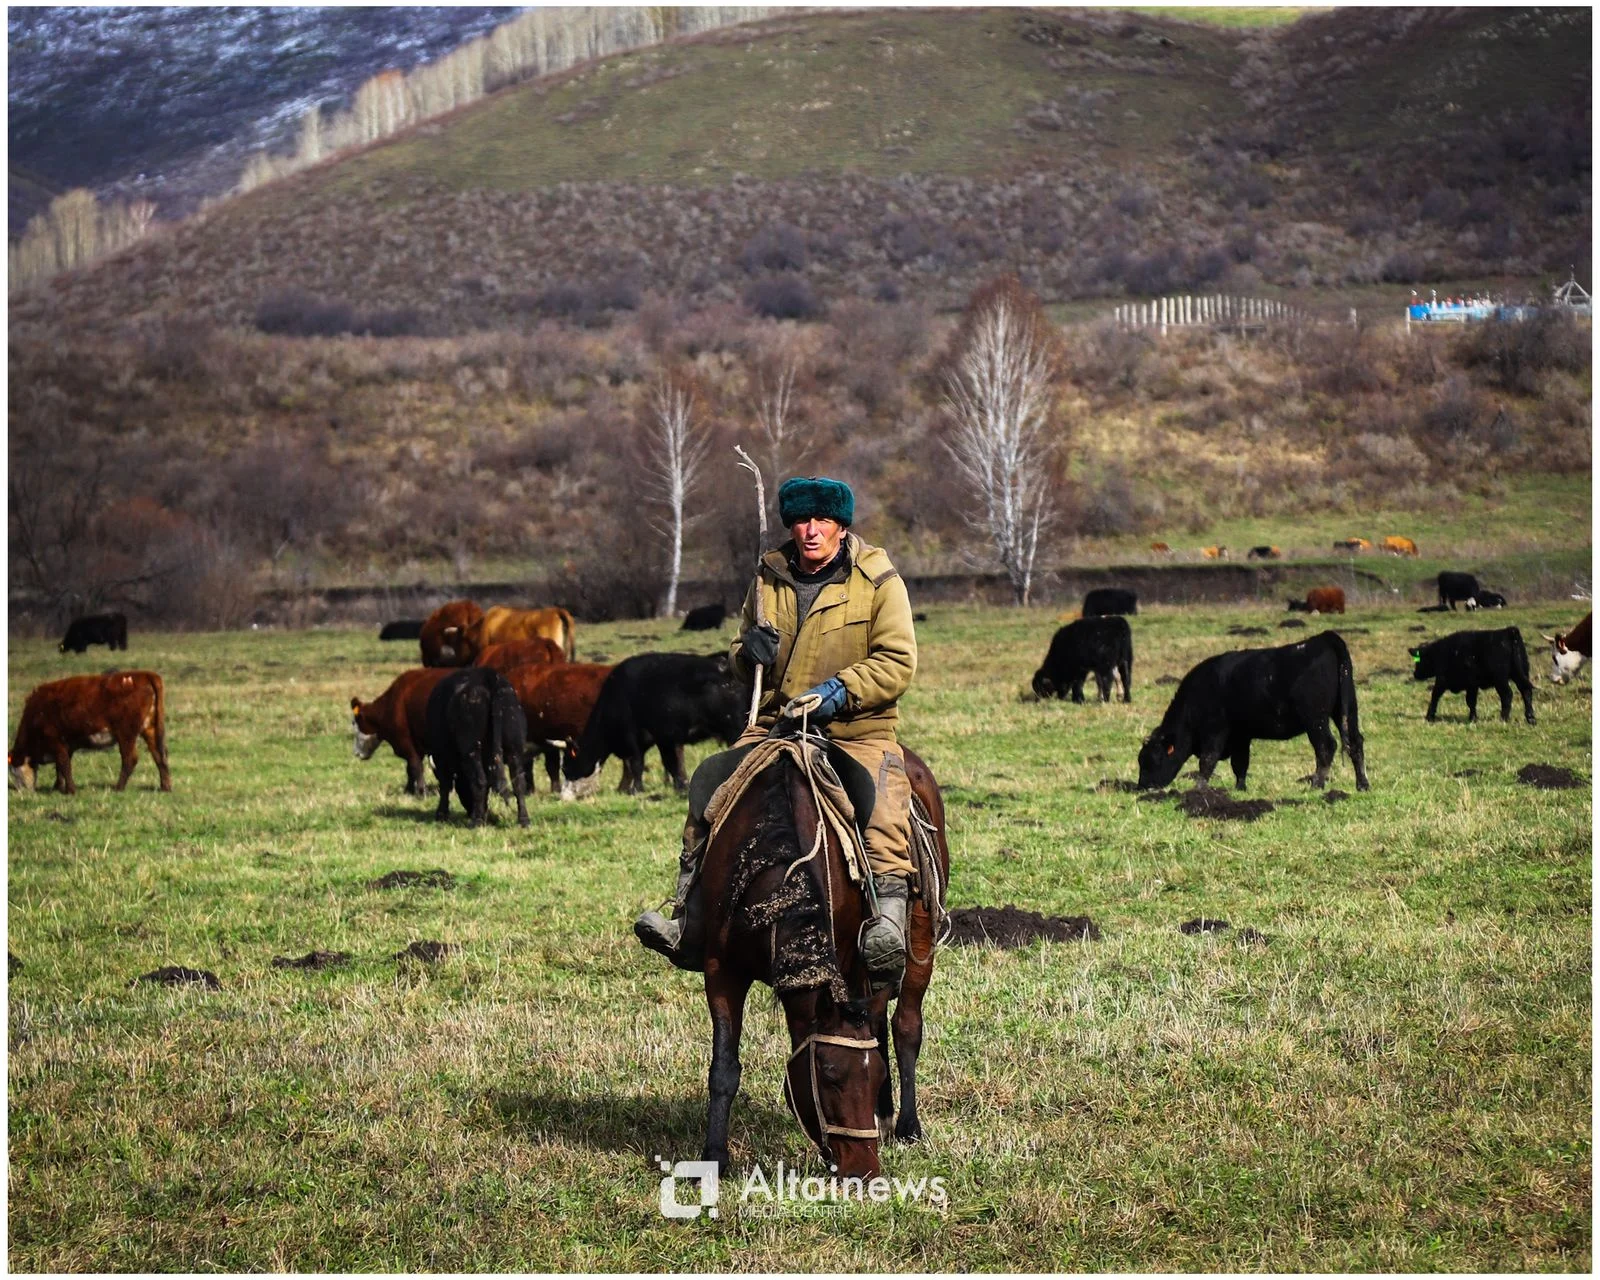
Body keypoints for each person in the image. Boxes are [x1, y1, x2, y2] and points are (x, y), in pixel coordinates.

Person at [634, 475, 919, 990]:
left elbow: (898, 661)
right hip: (777, 725)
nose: (810, 531)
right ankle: (689, 918)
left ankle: (888, 923)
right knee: (711, 791)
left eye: (822, 520)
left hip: (856, 728)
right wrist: (748, 654)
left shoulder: (879, 580)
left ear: (841, 526)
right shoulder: (768, 578)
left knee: (882, 806)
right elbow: (739, 655)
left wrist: (840, 690)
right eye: (801, 521)